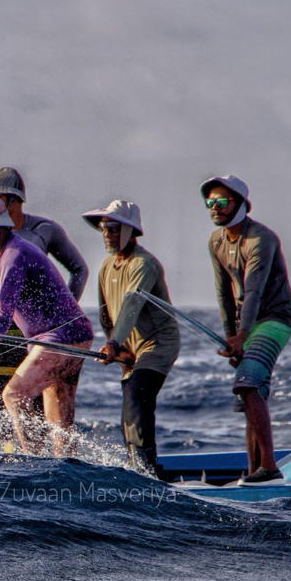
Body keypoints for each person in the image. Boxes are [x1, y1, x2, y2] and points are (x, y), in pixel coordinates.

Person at [0, 167, 90, 449]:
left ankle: (33, 465)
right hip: (74, 336)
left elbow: (2, 317)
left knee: (14, 395)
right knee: (58, 423)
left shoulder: (13, 256)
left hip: (59, 340)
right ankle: (66, 472)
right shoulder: (10, 251)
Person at [202, 175, 291, 483]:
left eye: (223, 202)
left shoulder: (261, 239)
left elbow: (253, 291)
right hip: (246, 326)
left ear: (241, 204)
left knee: (246, 382)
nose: (215, 208)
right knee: (250, 393)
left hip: (274, 320)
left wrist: (242, 335)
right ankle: (256, 470)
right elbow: (223, 294)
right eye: (211, 202)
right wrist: (233, 337)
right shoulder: (216, 242)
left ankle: (270, 468)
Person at [83, 200, 180, 476]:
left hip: (158, 343)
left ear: (131, 231)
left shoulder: (144, 264)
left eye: (113, 228)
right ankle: (138, 468)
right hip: (129, 347)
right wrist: (120, 349)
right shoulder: (106, 267)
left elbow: (131, 305)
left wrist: (113, 344)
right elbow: (106, 314)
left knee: (138, 394)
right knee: (129, 405)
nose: (107, 234)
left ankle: (147, 472)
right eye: (103, 228)